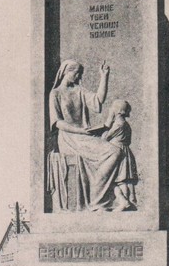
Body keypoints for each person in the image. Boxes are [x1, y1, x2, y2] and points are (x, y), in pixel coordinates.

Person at [48, 59, 122, 211]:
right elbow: (57, 123)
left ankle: (97, 197)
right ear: (66, 72)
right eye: (76, 73)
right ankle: (97, 201)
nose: (78, 77)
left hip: (84, 136)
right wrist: (80, 131)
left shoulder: (79, 90)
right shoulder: (55, 94)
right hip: (69, 138)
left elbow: (98, 101)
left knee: (115, 151)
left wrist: (104, 76)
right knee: (112, 152)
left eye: (80, 74)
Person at [103, 99, 138, 210]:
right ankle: (130, 201)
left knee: (118, 179)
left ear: (117, 111)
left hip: (118, 153)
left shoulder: (118, 124)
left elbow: (105, 138)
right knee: (125, 179)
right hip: (125, 152)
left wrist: (108, 122)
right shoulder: (125, 124)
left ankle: (124, 202)